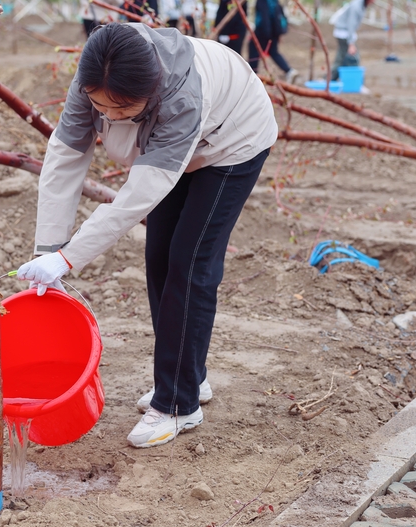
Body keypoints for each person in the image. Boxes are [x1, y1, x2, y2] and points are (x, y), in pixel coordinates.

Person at [16, 23, 277, 448]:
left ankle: (178, 404)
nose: (110, 117)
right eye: (101, 107)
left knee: (189, 264)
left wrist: (68, 258)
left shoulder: (180, 97)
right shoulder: (93, 79)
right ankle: (190, 377)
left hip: (231, 142)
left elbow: (138, 195)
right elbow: (65, 160)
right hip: (173, 147)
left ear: (151, 91)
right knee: (158, 258)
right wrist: (47, 249)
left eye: (122, 109)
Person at [249, 0, 298, 82]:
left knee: (253, 49)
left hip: (263, 30)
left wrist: (266, 32)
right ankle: (289, 71)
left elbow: (264, 14)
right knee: (273, 52)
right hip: (274, 30)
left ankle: (251, 76)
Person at [329, 0, 380, 81]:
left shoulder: (362, 4)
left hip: (344, 32)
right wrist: (351, 44)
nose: (374, 0)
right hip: (344, 33)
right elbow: (351, 25)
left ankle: (331, 79)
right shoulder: (357, 6)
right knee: (353, 58)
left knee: (341, 58)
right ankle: (352, 81)